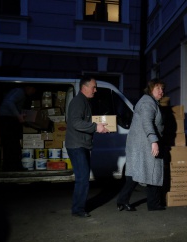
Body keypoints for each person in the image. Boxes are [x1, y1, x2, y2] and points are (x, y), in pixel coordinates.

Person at [117, 78, 166, 212]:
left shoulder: (149, 102)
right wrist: (154, 141)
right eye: (158, 88)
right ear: (150, 89)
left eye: (162, 88)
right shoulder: (147, 103)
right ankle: (153, 204)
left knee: (138, 173)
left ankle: (124, 200)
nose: (161, 91)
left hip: (141, 144)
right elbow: (147, 122)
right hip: (145, 144)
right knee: (151, 171)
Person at [65, 76, 109, 218]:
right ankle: (78, 209)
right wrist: (96, 127)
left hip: (81, 144)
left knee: (83, 178)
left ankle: (78, 207)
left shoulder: (84, 101)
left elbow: (83, 122)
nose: (95, 90)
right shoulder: (79, 102)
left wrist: (99, 126)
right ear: (84, 87)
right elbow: (76, 123)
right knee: (83, 178)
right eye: (93, 87)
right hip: (77, 145)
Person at [0, 85, 36, 171]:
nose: (33, 92)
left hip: (8, 119)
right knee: (12, 144)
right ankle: (13, 168)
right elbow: (9, 102)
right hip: (7, 119)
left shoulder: (20, 94)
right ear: (29, 88)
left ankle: (11, 167)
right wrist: (18, 116)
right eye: (33, 90)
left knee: (11, 144)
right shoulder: (20, 92)